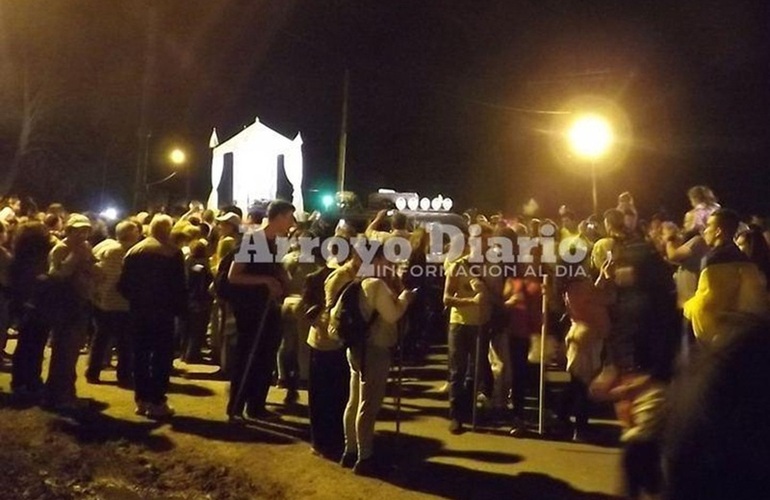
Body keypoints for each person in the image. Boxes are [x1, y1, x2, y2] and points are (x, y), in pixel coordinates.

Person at [340, 245, 415, 476]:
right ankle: (365, 457)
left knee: (354, 402)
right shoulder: (376, 285)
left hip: (356, 348)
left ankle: (350, 449)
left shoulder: (354, 283)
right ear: (377, 259)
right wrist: (404, 299)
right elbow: (392, 315)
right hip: (375, 350)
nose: (391, 264)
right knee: (369, 404)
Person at [226, 200, 294, 421]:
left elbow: (277, 268)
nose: (292, 223)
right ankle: (236, 405)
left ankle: (257, 405)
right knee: (247, 356)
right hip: (250, 310)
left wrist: (283, 278)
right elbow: (234, 276)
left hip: (270, 307)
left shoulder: (279, 242)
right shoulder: (252, 240)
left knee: (266, 356)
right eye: (290, 217)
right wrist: (265, 280)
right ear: (279, 217)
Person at [118, 214, 187, 418]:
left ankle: (141, 399)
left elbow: (123, 285)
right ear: (167, 231)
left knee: (139, 355)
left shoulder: (134, 251)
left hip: (138, 312)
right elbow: (179, 287)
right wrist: (180, 311)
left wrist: (136, 300)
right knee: (161, 358)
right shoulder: (172, 254)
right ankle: (157, 400)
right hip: (163, 314)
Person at [684, 209, 769, 345]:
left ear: (718, 231)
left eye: (708, 226)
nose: (705, 231)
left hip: (719, 335)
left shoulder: (712, 259)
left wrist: (688, 307)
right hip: (743, 332)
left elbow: (705, 303)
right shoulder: (743, 258)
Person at [307, 248, 360, 460]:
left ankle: (334, 439)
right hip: (325, 343)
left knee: (338, 395)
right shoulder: (339, 276)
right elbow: (329, 310)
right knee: (323, 396)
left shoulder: (355, 275)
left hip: (338, 343)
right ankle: (321, 442)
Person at [44, 213, 97, 411]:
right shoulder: (61, 249)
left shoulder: (85, 247)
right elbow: (56, 274)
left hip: (82, 303)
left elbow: (93, 267)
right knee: (63, 352)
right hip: (65, 306)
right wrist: (75, 259)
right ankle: (57, 396)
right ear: (69, 230)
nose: (83, 234)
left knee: (72, 352)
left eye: (86, 231)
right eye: (79, 230)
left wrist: (94, 270)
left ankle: (67, 393)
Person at [86, 219, 141, 386]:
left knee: (101, 338)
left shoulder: (104, 246)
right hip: (118, 302)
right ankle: (123, 375)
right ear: (130, 235)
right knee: (124, 341)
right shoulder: (121, 252)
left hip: (102, 301)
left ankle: (93, 371)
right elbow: (116, 279)